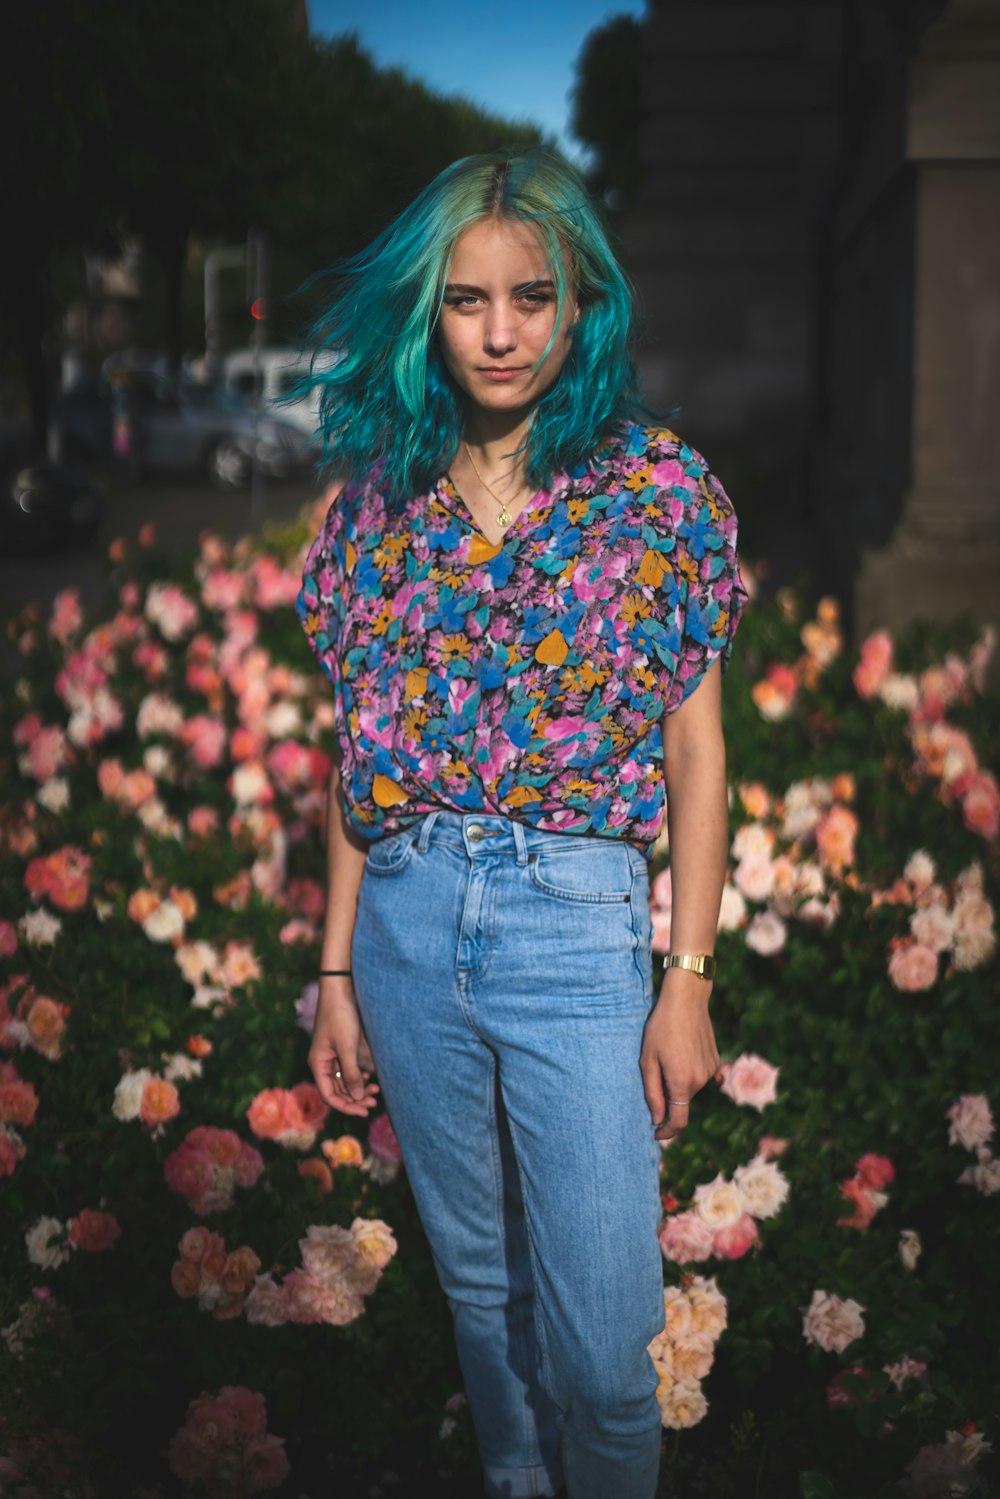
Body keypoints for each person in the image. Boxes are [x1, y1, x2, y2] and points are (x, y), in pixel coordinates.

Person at [296, 147, 747, 1499]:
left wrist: (688, 980)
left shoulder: (658, 493)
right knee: (484, 1300)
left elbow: (699, 757)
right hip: (410, 922)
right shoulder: (372, 505)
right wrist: (333, 970)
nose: (501, 334)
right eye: (467, 301)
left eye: (531, 298)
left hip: (577, 926)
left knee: (608, 1342)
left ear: (580, 303)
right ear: (425, 313)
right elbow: (355, 760)